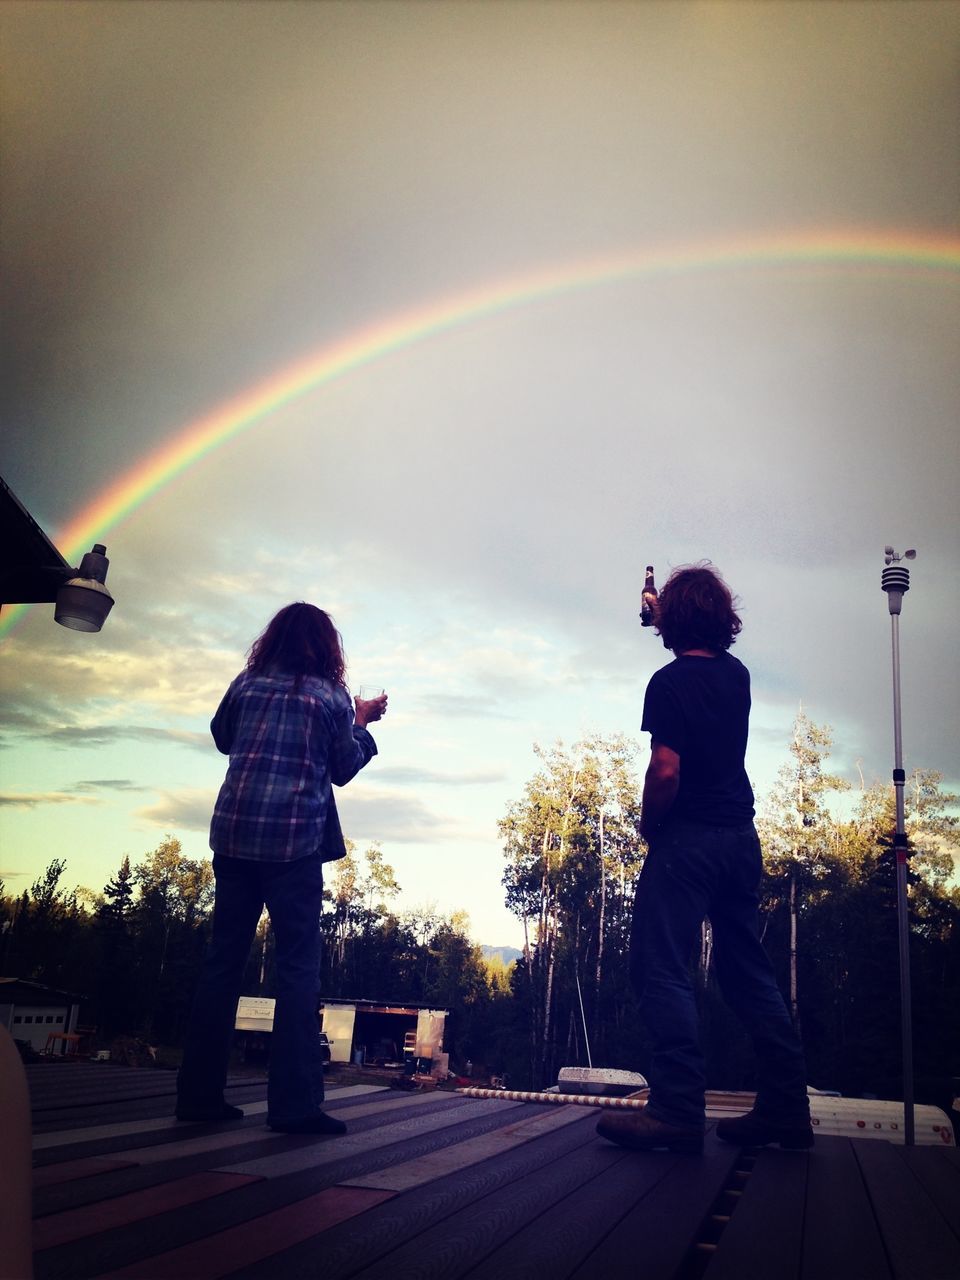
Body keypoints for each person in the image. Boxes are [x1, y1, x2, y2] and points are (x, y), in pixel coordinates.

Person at [597, 564, 812, 1155]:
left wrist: (649, 823)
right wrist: (665, 612)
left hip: (687, 842)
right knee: (746, 973)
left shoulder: (666, 685)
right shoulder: (737, 675)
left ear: (671, 619)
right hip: (739, 839)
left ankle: (675, 1110)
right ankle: (788, 1111)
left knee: (660, 967)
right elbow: (702, 659)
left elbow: (666, 768)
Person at [176, 602, 386, 1134]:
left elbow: (223, 737)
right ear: (326, 647)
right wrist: (360, 721)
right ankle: (293, 1108)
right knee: (297, 970)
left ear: (271, 640)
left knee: (222, 964)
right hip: (293, 846)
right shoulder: (329, 696)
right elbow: (342, 768)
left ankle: (198, 1097)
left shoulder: (245, 685)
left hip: (233, 837)